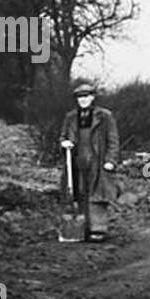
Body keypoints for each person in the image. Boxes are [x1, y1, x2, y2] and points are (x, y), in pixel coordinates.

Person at [60, 82, 119, 241]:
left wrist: (111, 160)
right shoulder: (70, 117)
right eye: (80, 97)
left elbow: (113, 140)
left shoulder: (105, 116)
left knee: (97, 195)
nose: (83, 100)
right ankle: (81, 229)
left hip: (98, 160)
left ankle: (98, 230)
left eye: (86, 96)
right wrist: (64, 143)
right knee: (78, 194)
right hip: (77, 160)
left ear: (92, 97)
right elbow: (64, 136)